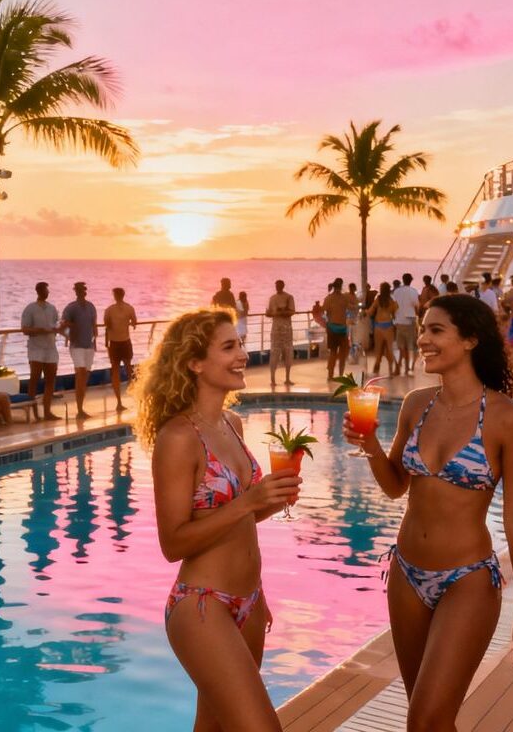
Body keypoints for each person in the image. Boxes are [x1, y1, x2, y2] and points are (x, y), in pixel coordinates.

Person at [343, 294, 513, 729]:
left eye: (436, 330)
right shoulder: (417, 403)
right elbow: (396, 487)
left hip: (466, 579)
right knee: (428, 719)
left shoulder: (509, 419)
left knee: (426, 718)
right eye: (422, 329)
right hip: (406, 574)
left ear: (470, 339)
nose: (423, 340)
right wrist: (372, 448)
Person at [131, 309, 301, 732]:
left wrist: (271, 501)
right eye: (229, 347)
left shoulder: (232, 422)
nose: (242, 354)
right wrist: (248, 504)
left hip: (250, 603)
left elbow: (239, 519)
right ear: (194, 362)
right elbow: (174, 543)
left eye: (240, 344)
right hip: (203, 604)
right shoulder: (178, 438)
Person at [20, 281, 61, 421]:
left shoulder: (52, 308)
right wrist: (39, 330)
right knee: (34, 380)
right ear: (39, 291)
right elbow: (25, 329)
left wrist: (60, 330)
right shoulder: (30, 309)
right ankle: (34, 412)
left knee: (50, 380)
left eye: (47, 290)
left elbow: (57, 324)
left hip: (50, 348)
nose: (47, 293)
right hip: (36, 349)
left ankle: (47, 411)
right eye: (45, 290)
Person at [61, 281, 98, 420]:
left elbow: (94, 325)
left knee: (85, 377)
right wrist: (72, 327)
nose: (82, 292)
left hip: (89, 346)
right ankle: (79, 410)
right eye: (79, 290)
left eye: (83, 290)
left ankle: (81, 408)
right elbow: (62, 323)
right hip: (76, 346)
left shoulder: (91, 307)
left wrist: (96, 341)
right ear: (75, 292)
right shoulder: (71, 308)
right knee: (80, 374)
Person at [104, 287, 137, 412]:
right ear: (123, 295)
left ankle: (119, 402)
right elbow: (134, 323)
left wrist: (106, 343)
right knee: (129, 369)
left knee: (116, 371)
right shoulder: (129, 308)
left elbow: (107, 326)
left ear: (114, 296)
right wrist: (127, 323)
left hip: (115, 343)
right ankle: (135, 397)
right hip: (125, 341)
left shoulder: (109, 310)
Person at [265, 280, 295, 386]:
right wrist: (274, 312)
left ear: (283, 286)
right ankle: (273, 379)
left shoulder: (289, 297)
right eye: (276, 285)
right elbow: (269, 313)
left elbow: (292, 312)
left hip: (285, 329)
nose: (277, 287)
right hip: (277, 329)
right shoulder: (272, 298)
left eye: (279, 285)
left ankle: (287, 378)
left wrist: (279, 312)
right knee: (275, 353)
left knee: (288, 353)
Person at [367, 282, 398, 376]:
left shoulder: (378, 299)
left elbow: (371, 312)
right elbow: (395, 312)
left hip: (378, 326)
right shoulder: (391, 300)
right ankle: (391, 370)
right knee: (390, 349)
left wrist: (365, 312)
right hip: (388, 326)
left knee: (378, 349)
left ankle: (376, 369)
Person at [393, 273, 420, 375]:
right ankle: (408, 368)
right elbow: (416, 305)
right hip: (409, 321)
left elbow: (393, 305)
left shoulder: (397, 291)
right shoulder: (413, 291)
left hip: (398, 321)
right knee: (410, 346)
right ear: (411, 280)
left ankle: (398, 367)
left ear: (402, 279)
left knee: (400, 346)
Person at [322, 278, 348, 380]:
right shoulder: (344, 298)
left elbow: (323, 311)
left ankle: (330, 375)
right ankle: (340, 375)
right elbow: (350, 307)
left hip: (332, 327)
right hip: (342, 328)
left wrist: (326, 324)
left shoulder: (329, 298)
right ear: (341, 286)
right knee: (342, 354)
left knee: (333, 353)